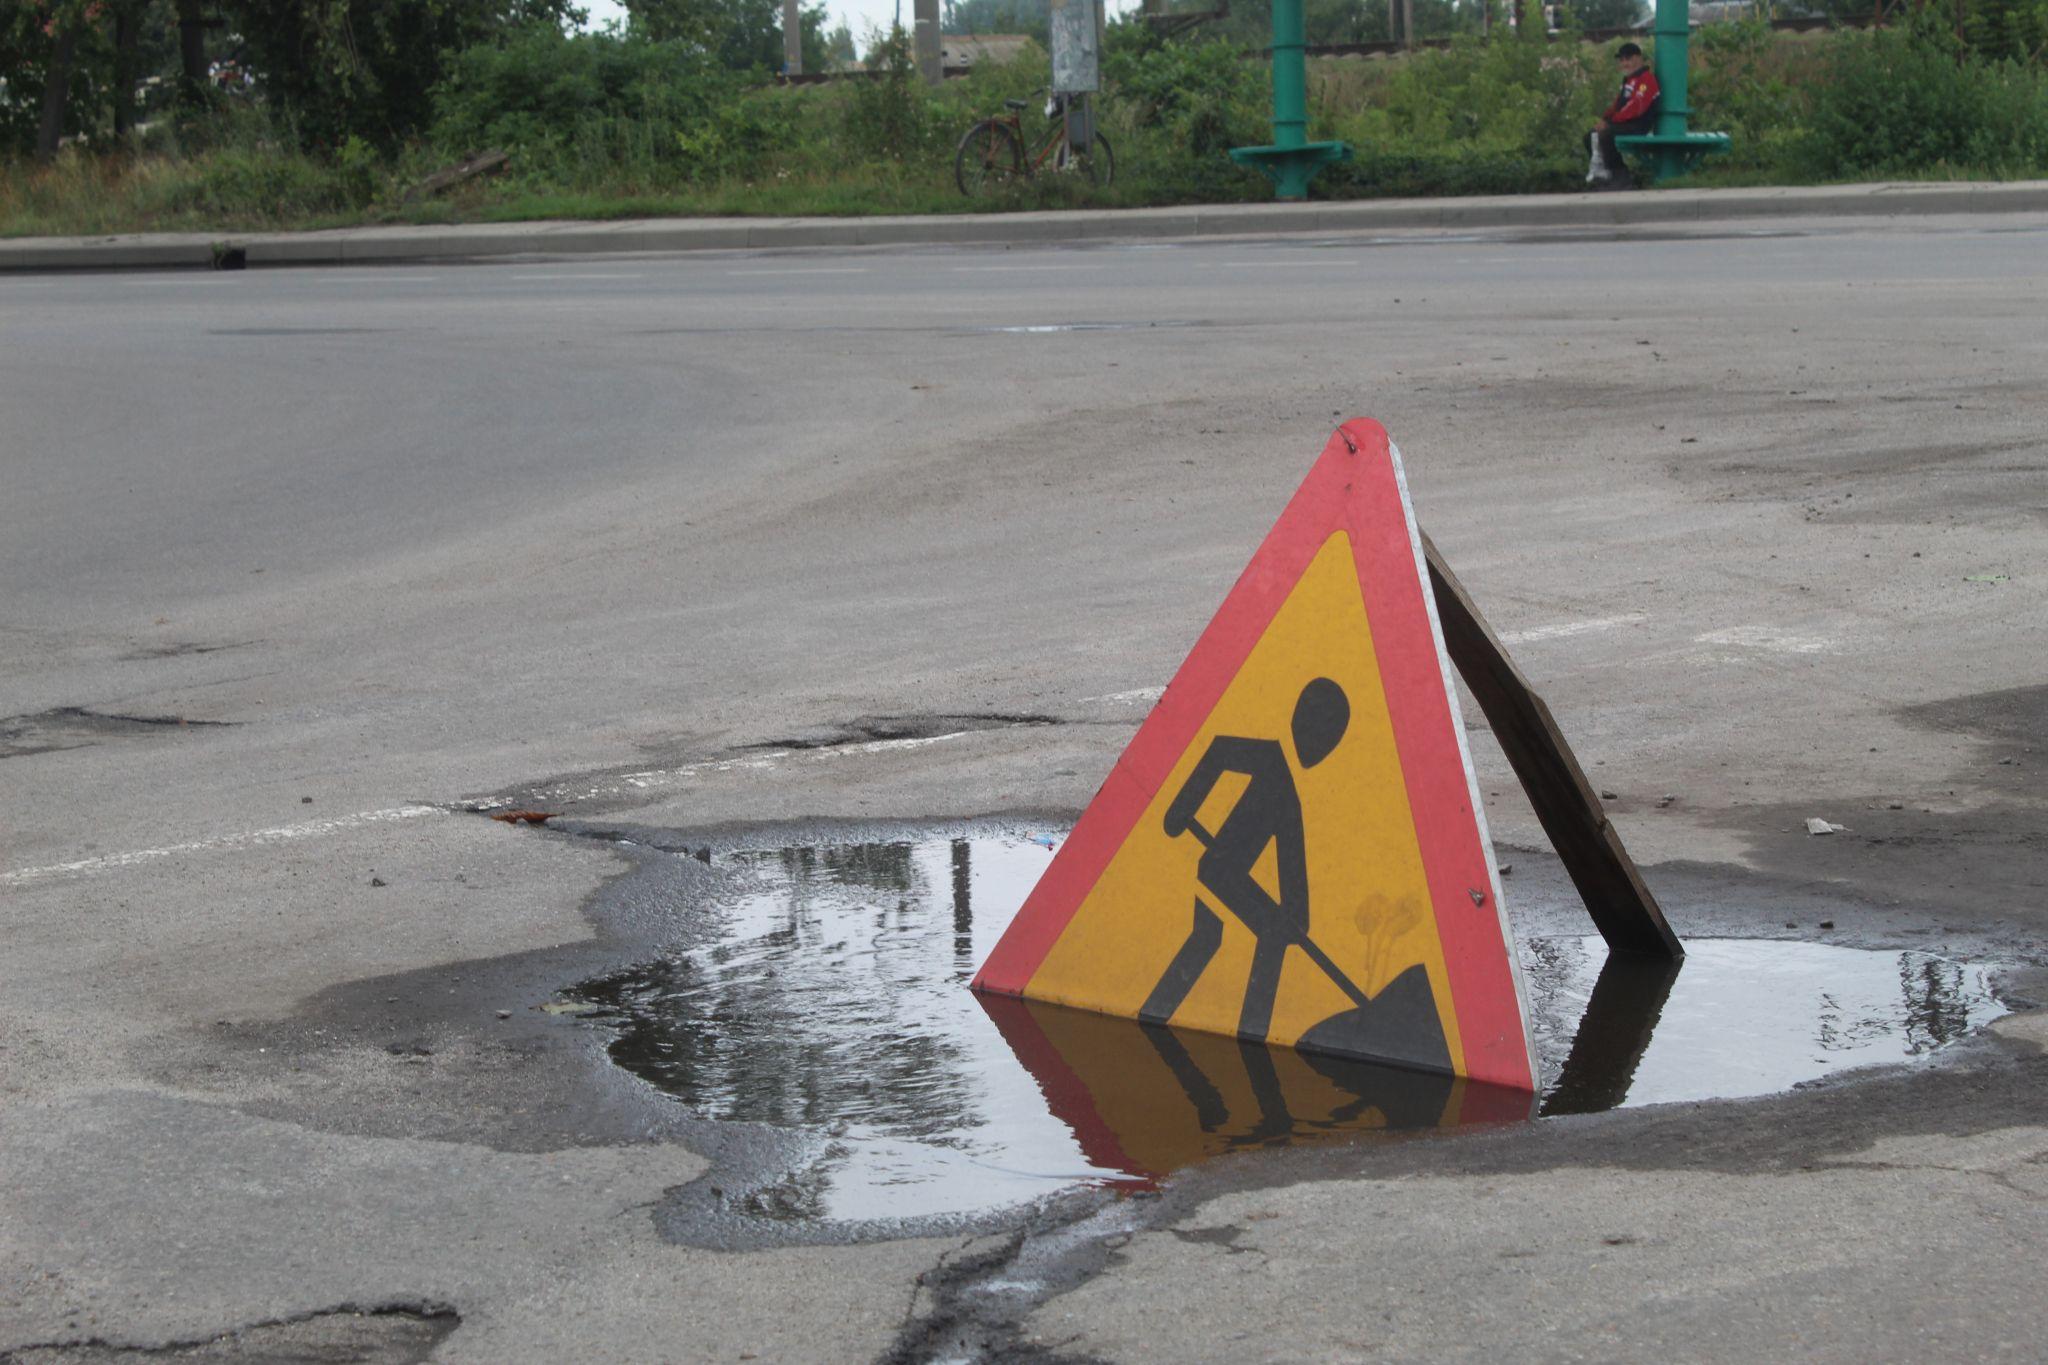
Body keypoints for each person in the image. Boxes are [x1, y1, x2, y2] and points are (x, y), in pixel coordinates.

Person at [1586, 43, 1659, 191]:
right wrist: (1605, 119)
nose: (1624, 63)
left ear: (1638, 58)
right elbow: (1617, 105)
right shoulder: (1629, 81)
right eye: (1621, 60)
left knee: (1606, 134)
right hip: (1624, 123)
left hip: (1638, 125)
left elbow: (1636, 107)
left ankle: (1621, 177)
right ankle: (1603, 175)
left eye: (1628, 59)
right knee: (1590, 135)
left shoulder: (1646, 80)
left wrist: (1611, 122)